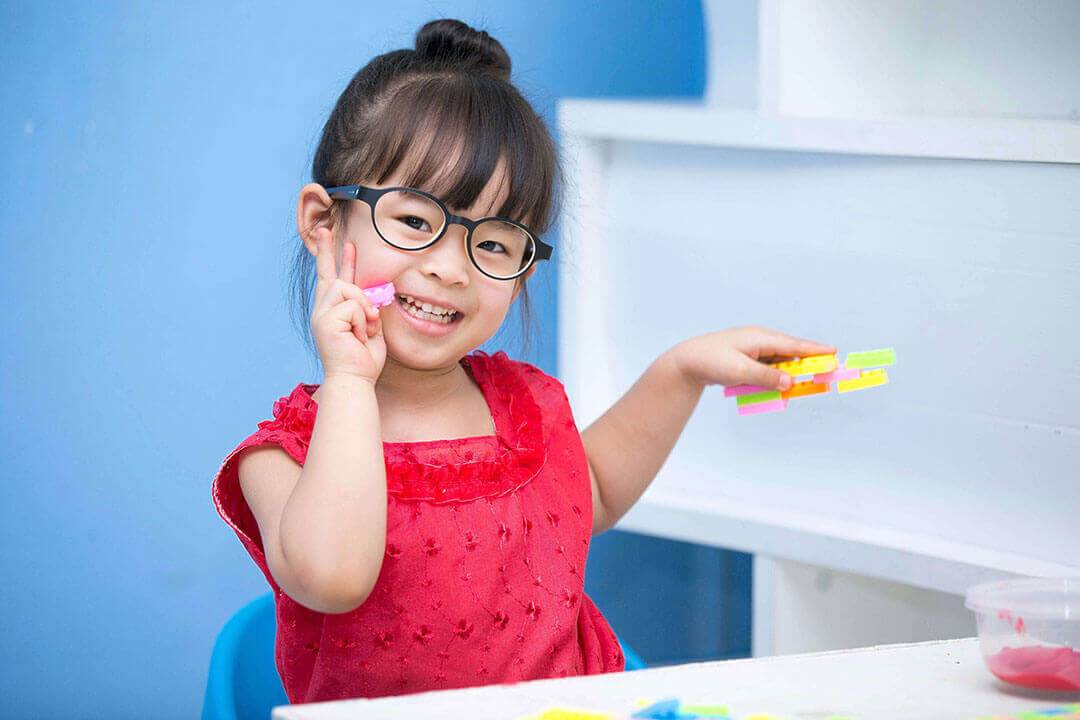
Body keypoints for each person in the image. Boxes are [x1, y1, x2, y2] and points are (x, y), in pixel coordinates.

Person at [211, 17, 834, 704]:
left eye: (496, 243)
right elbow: (332, 575)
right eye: (415, 221)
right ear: (324, 224)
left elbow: (585, 492)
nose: (451, 268)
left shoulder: (528, 405)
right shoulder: (282, 458)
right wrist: (352, 379)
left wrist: (681, 371)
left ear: (522, 271)